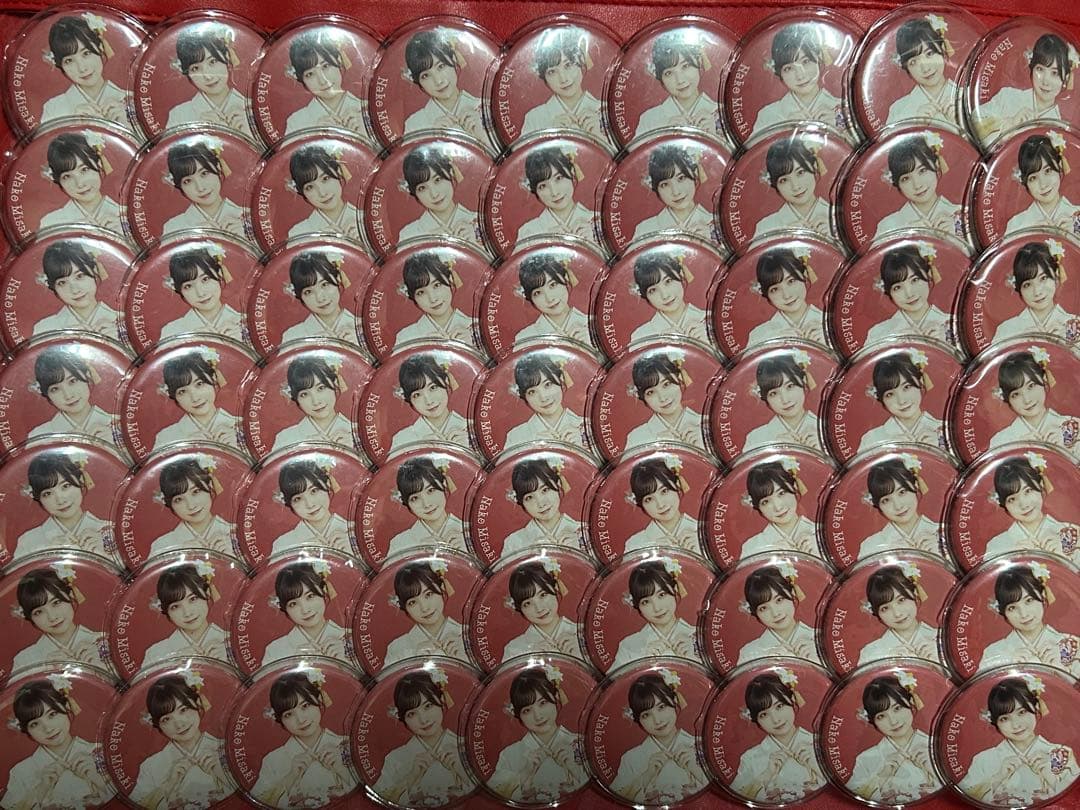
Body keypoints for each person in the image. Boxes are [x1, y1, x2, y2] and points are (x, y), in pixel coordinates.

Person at [958, 675, 1078, 805]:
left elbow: (1075, 797)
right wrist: (998, 777)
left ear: (1036, 707)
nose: (1016, 725)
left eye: (1022, 712)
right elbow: (965, 797)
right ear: (995, 722)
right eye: (1004, 718)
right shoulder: (983, 760)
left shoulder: (1061, 754)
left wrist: (1051, 777)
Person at [3, 676, 115, 809]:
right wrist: (40, 790)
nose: (48, 728)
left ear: (67, 707)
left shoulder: (104, 753)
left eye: (52, 714)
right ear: (27, 730)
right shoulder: (21, 772)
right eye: (34, 724)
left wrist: (98, 780)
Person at [251, 669, 357, 807]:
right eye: (288, 714)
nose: (301, 720)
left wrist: (343, 771)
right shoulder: (272, 761)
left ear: (319, 699)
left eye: (305, 706)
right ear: (280, 720)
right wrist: (290, 777)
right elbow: (256, 804)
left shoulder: (349, 745)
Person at [130, 672, 234, 809]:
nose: (179, 724)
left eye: (183, 710)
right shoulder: (150, 766)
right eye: (166, 719)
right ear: (158, 725)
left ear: (198, 703)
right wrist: (168, 785)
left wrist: (224, 776)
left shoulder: (229, 750)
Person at [372, 669, 475, 806]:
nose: (423, 719)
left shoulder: (469, 747)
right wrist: (410, 778)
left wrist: (463, 772)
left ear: (442, 700)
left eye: (428, 706)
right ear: (403, 719)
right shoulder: (395, 759)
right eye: (411, 714)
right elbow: (378, 802)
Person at [488, 667, 589, 803]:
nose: (538, 716)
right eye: (527, 710)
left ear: (556, 697)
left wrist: (576, 770)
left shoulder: (582, 744)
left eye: (543, 703)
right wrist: (524, 775)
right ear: (518, 715)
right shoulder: (509, 755)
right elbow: (494, 799)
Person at [609, 670, 709, 804]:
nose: (657, 720)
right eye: (646, 715)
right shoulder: (631, 758)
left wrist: (697, 771)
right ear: (638, 720)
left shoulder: (702, 746)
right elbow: (614, 800)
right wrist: (646, 776)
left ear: (674, 700)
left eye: (661, 707)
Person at [731, 670, 826, 803]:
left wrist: (817, 767)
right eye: (764, 715)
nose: (776, 719)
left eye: (779, 706)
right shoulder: (750, 758)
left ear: (792, 699)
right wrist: (766, 775)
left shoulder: (820, 745)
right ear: (756, 720)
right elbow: (735, 797)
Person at [846, 673, 942, 803]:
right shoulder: (866, 759)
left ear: (911, 702)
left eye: (897, 708)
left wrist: (934, 770)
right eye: (881, 716)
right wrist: (881, 776)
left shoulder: (937, 747)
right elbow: (854, 796)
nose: (893, 721)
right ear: (873, 721)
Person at [979, 562, 1080, 676]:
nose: (1023, 614)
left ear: (1043, 595)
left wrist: (1064, 671)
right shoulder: (993, 653)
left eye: (1029, 600)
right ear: (1003, 612)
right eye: (1012, 608)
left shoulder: (1073, 645)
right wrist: (1008, 670)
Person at [976, 34, 1077, 146]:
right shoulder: (1008, 96)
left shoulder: (1060, 129)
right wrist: (1008, 124)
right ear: (1031, 69)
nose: (1045, 81)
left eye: (1054, 73)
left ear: (1066, 78)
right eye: (1040, 69)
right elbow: (973, 124)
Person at [12, 450, 111, 559]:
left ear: (81, 480)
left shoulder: (110, 531)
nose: (60, 500)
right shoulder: (28, 541)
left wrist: (106, 553)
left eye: (65, 486)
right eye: (47, 493)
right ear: (38, 498)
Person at [751, 23, 843, 137]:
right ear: (779, 73)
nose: (800, 76)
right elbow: (754, 148)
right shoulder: (769, 114)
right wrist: (783, 132)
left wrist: (840, 128)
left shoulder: (843, 109)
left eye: (806, 61)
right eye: (788, 68)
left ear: (819, 57)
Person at [985, 452, 1080, 563]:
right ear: (1004, 505)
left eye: (1028, 491)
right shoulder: (997, 545)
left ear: (1041, 485)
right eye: (1012, 499)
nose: (1023, 504)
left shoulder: (1074, 533)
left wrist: (1067, 556)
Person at [165, 24, 254, 139]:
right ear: (187, 73)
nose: (208, 76)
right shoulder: (179, 114)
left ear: (227, 56)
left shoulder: (253, 110)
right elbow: (168, 150)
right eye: (195, 68)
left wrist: (248, 135)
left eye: (212, 62)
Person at [39, 13, 129, 129]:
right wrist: (73, 127)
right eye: (69, 61)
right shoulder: (53, 108)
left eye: (86, 53)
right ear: (60, 65)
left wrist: (126, 127)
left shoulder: (131, 100)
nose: (82, 68)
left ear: (100, 47)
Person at [12, 565, 106, 672]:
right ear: (29, 617)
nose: (52, 617)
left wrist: (103, 667)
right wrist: (45, 672)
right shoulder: (24, 660)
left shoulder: (105, 642)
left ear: (71, 595)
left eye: (56, 602)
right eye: (38, 612)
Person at [989, 349, 1080, 458]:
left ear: (1044, 379)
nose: (1027, 400)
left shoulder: (1075, 426)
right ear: (1007, 399)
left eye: (1031, 386)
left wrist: (1066, 449)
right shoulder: (1000, 441)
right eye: (1016, 394)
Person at [873, 133, 963, 243]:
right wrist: (905, 239)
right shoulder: (888, 225)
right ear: (897, 184)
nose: (917, 185)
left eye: (922, 171)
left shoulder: (962, 215)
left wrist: (956, 237)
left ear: (936, 165)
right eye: (905, 179)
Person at [402, 29, 487, 144]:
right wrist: (431, 140)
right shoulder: (414, 123)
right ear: (418, 82)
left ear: (454, 59)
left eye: (441, 66)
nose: (438, 81)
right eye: (425, 76)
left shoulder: (486, 108)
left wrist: (483, 137)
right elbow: (409, 156)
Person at [634, 30, 721, 140]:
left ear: (699, 62)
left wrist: (714, 136)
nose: (680, 80)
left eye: (685, 66)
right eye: (669, 73)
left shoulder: (721, 112)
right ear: (661, 79)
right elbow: (636, 151)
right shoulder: (649, 119)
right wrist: (664, 137)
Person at [611, 558, 697, 669]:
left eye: (662, 595)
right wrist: (641, 661)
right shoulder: (628, 645)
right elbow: (616, 679)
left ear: (675, 589)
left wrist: (695, 659)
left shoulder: (699, 636)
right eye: (645, 602)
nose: (657, 608)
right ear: (637, 606)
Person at [520, 27, 604, 142]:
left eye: (568, 65)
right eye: (552, 72)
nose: (563, 79)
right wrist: (548, 138)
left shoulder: (605, 111)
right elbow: (521, 153)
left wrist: (600, 138)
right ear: (544, 78)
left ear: (581, 62)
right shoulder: (534, 117)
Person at [152, 347, 242, 452]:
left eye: (199, 384)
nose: (195, 398)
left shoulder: (242, 426)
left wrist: (238, 447)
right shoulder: (166, 437)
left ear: (213, 378)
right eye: (182, 391)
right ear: (174, 396)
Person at [514, 145, 602, 251]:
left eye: (559, 178)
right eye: (543, 186)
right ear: (535, 191)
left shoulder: (599, 221)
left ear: (572, 172)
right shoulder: (529, 231)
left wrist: (594, 245)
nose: (554, 192)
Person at [397, 144, 484, 251]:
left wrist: (475, 244)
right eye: (422, 188)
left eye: (437, 180)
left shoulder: (480, 221)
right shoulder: (409, 234)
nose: (434, 194)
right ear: (414, 193)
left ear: (451, 172)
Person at [283, 29, 368, 138]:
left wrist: (365, 134)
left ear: (338, 60)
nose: (322, 80)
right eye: (310, 74)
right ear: (302, 79)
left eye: (326, 66)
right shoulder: (296, 121)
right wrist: (315, 138)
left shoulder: (368, 109)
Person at [995, 239, 1080, 345]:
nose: (1037, 291)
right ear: (1019, 288)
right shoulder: (1006, 330)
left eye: (1043, 278)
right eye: (1027, 285)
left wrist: (1068, 346)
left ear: (1056, 275)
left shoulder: (1076, 325)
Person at [31, 239, 121, 340]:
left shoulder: (123, 321)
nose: (75, 290)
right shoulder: (44, 328)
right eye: (62, 283)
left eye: (79, 276)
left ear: (94, 270)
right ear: (53, 287)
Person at [858, 349, 945, 453]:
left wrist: (941, 447)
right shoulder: (871, 439)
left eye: (907, 387)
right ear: (881, 398)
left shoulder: (945, 430)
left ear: (921, 381)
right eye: (890, 394)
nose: (901, 401)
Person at [262, 562, 348, 665]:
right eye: (293, 604)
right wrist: (294, 666)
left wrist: (344, 662)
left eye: (310, 596)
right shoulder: (275, 650)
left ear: (324, 592)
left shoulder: (351, 639)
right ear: (285, 609)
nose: (305, 610)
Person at [142, 563, 227, 668]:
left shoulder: (232, 643)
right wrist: (173, 666)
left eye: (193, 599)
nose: (187, 613)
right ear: (166, 611)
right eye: (175, 607)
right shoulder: (156, 654)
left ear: (207, 592)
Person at [865, 243, 950, 347]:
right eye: (897, 287)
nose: (909, 293)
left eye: (915, 280)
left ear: (928, 274)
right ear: (889, 292)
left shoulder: (953, 324)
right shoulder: (878, 334)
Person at [149, 456, 236, 558]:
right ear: (169, 504)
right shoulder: (162, 545)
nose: (191, 505)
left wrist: (232, 558)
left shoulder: (236, 534)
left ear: (210, 485)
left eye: (196, 491)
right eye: (178, 499)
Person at [38, 131, 122, 235]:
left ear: (99, 164)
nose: (80, 184)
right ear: (59, 181)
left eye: (84, 169)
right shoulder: (51, 223)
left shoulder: (125, 215)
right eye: (67, 176)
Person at [631, 144, 719, 245]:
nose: (676, 192)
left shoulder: (717, 223)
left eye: (681, 178)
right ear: (656, 188)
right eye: (664, 185)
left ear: (695, 174)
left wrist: (711, 244)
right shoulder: (645, 229)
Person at [885, 15, 961, 128]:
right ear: (906, 67)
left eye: (929, 54)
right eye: (913, 62)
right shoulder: (899, 108)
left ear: (942, 48)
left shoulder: (966, 97)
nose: (925, 68)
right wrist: (913, 126)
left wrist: (961, 124)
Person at [736, 564, 822, 664]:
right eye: (763, 608)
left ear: (792, 593)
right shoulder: (749, 652)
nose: (775, 613)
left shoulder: (821, 638)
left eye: (779, 600)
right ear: (755, 612)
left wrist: (819, 661)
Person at [384, 561, 466, 665]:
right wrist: (413, 660)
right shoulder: (397, 648)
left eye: (428, 594)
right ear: (404, 608)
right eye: (412, 602)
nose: (424, 608)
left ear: (442, 588)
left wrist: (466, 658)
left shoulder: (468, 635)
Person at [27, 347, 116, 444]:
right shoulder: (38, 436)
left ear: (87, 376)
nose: (68, 395)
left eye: (73, 381)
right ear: (48, 395)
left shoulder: (118, 425)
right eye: (55, 389)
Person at [859, 456, 942, 559]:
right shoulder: (871, 546)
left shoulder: (943, 534)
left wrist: (941, 556)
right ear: (877, 504)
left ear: (915, 485)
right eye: (886, 500)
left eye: (902, 492)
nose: (898, 506)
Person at [160, 139, 246, 238]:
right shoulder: (174, 227)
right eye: (187, 181)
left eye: (204, 173)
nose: (200, 188)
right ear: (180, 186)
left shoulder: (247, 216)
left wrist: (243, 240)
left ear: (218, 167)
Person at [857, 565, 942, 665]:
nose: (897, 614)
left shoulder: (942, 639)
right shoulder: (870, 653)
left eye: (901, 600)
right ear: (876, 613)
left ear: (915, 593)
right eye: (885, 608)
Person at [752, 136, 831, 242]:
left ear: (815, 165)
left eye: (800, 172)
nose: (795, 186)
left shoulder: (837, 216)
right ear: (775, 184)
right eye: (784, 180)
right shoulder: (766, 226)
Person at [388, 353, 470, 454]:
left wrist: (468, 450)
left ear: (446, 381)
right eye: (417, 395)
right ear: (409, 400)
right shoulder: (402, 439)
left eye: (433, 388)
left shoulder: (472, 429)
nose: (429, 401)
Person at [743, 350, 823, 454]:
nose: (785, 400)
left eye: (790, 386)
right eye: (773, 393)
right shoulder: (755, 438)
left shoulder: (826, 428)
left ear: (803, 381)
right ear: (765, 398)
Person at [159, 244, 245, 341]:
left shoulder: (245, 323)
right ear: (180, 291)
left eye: (205, 279)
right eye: (188, 286)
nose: (200, 293)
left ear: (219, 273)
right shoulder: (171, 331)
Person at [740, 457, 821, 558]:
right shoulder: (752, 548)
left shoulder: (822, 534)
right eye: (765, 502)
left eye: (782, 493)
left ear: (794, 486)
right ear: (757, 507)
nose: (778, 507)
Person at [386, 456, 468, 556]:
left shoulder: (471, 532)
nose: (426, 504)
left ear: (444, 484)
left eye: (431, 490)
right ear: (407, 503)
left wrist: (468, 551)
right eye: (415, 498)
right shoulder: (399, 543)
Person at [502, 560, 582, 661]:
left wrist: (581, 656)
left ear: (555, 588)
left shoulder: (584, 634)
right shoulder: (514, 649)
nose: (539, 608)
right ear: (519, 608)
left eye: (543, 595)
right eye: (527, 603)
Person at [270, 356, 354, 452]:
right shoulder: (286, 438)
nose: (316, 401)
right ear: (296, 398)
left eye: (321, 388)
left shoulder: (358, 431)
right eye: (304, 394)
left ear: (335, 383)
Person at [503, 353, 586, 450]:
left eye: (548, 384)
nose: (543, 398)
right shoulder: (516, 436)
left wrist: (580, 449)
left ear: (561, 379)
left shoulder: (587, 426)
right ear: (524, 397)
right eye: (532, 392)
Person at [270, 458, 353, 556]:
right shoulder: (282, 544)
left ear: (327, 484)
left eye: (314, 491)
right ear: (289, 503)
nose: (309, 504)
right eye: (298, 499)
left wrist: (354, 551)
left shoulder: (355, 531)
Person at [1004, 132, 1080, 237]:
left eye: (1048, 171)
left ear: (1059, 166)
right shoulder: (1016, 224)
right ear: (1025, 182)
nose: (1043, 184)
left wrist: (1075, 236)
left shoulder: (1077, 214)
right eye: (1033, 178)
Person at [745, 247, 825, 347]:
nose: (787, 295)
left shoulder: (830, 323)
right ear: (767, 295)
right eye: (775, 289)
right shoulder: (759, 335)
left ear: (804, 275)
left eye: (791, 281)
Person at [502, 457, 584, 555]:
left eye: (545, 490)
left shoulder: (585, 532)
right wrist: (531, 558)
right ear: (521, 502)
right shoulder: (513, 543)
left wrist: (579, 553)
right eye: (529, 497)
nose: (541, 503)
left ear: (558, 484)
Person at [393, 251, 475, 347]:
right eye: (421, 292)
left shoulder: (477, 327)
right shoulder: (405, 337)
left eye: (437, 285)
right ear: (413, 297)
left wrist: (472, 347)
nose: (433, 299)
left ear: (450, 279)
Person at [625, 352, 704, 451]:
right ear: (643, 398)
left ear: (679, 378)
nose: (662, 398)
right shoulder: (637, 437)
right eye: (651, 392)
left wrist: (704, 446)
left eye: (666, 384)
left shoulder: (705, 424)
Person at [628, 250, 708, 345]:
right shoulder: (641, 336)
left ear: (681, 274)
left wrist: (709, 344)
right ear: (645, 295)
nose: (665, 295)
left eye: (668, 281)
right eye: (653, 290)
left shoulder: (710, 321)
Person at [285, 144, 362, 242]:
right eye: (310, 187)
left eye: (325, 178)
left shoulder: (367, 221)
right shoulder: (298, 233)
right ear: (302, 193)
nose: (322, 193)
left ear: (338, 171)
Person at [280, 249, 358, 345]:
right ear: (299, 295)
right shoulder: (292, 336)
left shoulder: (363, 327)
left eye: (325, 284)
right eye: (308, 292)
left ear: (338, 278)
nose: (320, 298)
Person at [513, 252, 591, 346]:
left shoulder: (592, 325)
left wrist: (592, 345)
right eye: (537, 293)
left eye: (553, 285)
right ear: (530, 298)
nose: (549, 298)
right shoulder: (525, 338)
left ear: (565, 278)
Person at [624, 457, 700, 554]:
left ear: (677, 485)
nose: (660, 505)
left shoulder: (704, 532)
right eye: (649, 499)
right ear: (641, 504)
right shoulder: (635, 544)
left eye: (664, 491)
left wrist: (703, 550)